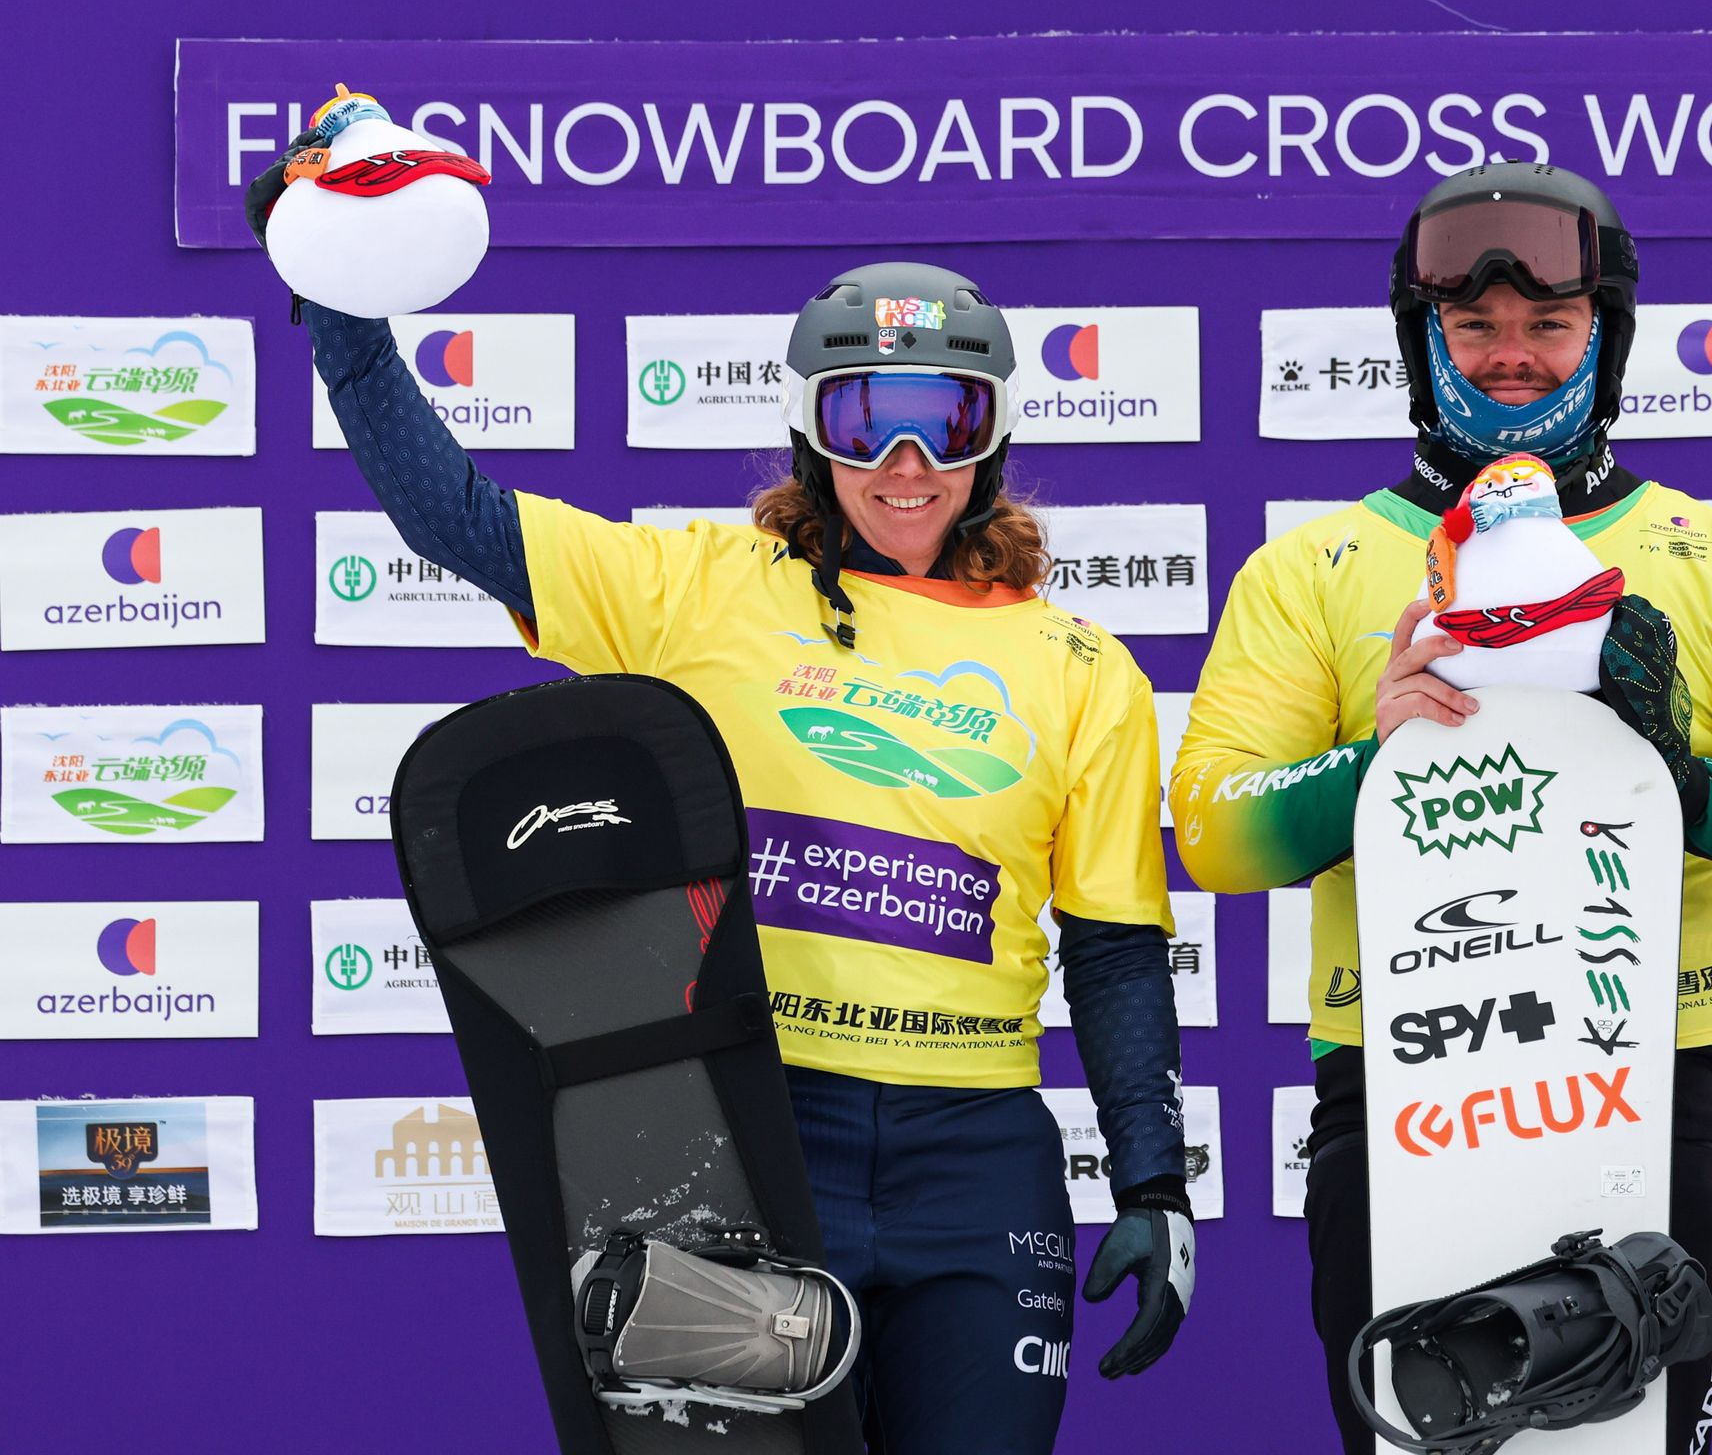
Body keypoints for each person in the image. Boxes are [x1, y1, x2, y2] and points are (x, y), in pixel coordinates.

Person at [250, 120, 1193, 1455]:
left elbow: (1111, 950)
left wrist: (1154, 1180)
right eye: (869, 415)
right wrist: (341, 316)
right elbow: (455, 517)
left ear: (992, 436)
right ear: (813, 429)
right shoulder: (700, 587)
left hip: (978, 1158)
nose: (907, 464)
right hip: (762, 1119)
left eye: (947, 418)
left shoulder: (1083, 666)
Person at [1172, 163, 1712, 1454]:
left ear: (1604, 337)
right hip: (1399, 1084)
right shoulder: (1315, 567)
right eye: (1475, 327)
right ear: (1422, 337)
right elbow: (1219, 830)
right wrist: (1375, 762)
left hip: (1644, 1088)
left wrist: (1672, 774)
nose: (1512, 356)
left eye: (1549, 325)